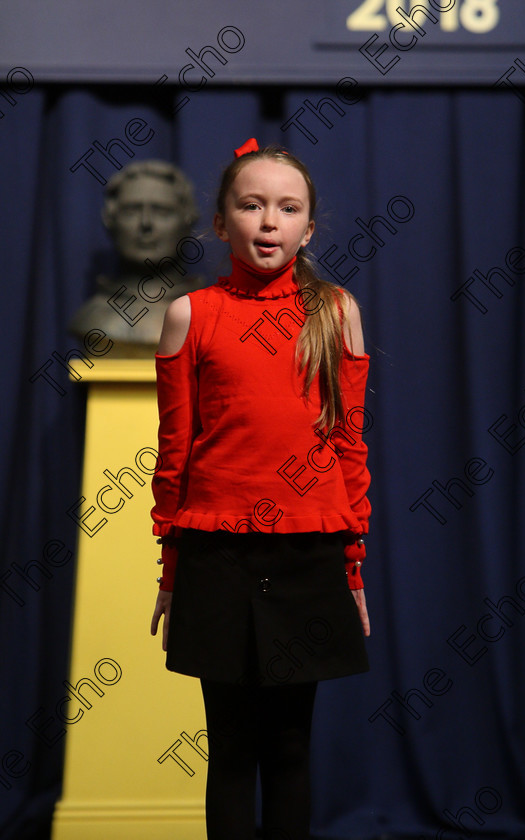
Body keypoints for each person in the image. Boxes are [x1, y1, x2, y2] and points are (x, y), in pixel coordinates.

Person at [150, 137, 372, 840]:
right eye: (251, 205)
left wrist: (353, 564)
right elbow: (175, 455)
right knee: (231, 752)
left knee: (288, 746)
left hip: (308, 552)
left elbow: (348, 448)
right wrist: (172, 570)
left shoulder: (334, 313)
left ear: (309, 226)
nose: (268, 221)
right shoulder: (191, 316)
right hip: (218, 556)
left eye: (287, 208)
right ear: (222, 223)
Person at [68, 160, 204, 354]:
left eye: (162, 212)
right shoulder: (92, 318)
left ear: (188, 220)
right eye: (131, 211)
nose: (146, 223)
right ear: (109, 220)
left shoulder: (208, 317)